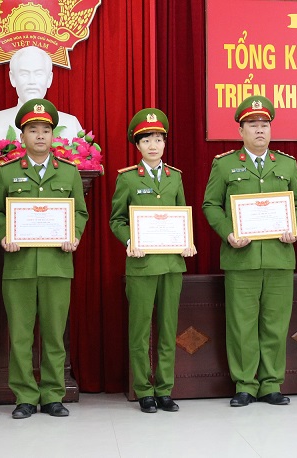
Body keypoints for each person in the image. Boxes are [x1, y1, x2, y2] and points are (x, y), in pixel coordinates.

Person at [201, 95, 297, 407]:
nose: (259, 130)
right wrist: (228, 232)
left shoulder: (287, 164)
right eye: (252, 124)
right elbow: (210, 205)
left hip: (279, 256)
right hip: (241, 257)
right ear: (241, 131)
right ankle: (245, 384)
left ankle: (271, 384)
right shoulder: (225, 165)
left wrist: (296, 227)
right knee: (242, 325)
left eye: (264, 124)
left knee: (275, 323)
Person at [0, 98, 89, 418]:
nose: (40, 135)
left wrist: (74, 234)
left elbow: (80, 213)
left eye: (46, 130)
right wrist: (3, 235)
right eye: (33, 130)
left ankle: (53, 394)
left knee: (54, 335)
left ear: (53, 135)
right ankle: (25, 397)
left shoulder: (68, 173)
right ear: (22, 136)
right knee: (20, 335)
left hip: (57, 264)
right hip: (19, 266)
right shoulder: (6, 173)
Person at [110, 108, 197, 413]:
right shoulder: (128, 179)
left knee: (168, 328)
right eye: (146, 139)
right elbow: (117, 220)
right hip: (142, 264)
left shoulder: (176, 177)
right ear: (137, 145)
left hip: (172, 264)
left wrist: (187, 241)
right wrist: (130, 241)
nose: (153, 145)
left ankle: (164, 388)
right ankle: (144, 389)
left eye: (158, 139)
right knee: (140, 330)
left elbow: (181, 215)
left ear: (165, 143)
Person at [0, 46, 83, 141]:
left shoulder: (70, 124)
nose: (32, 81)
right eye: (24, 74)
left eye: (39, 74)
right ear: (12, 78)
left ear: (49, 79)